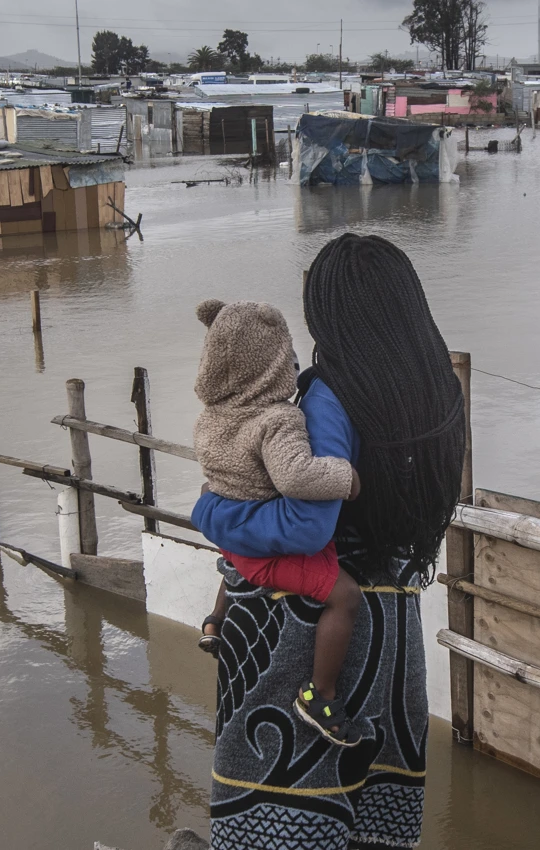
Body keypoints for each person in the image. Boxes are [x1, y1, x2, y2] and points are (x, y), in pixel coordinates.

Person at [202, 234, 466, 850]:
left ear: (329, 310)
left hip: (301, 626)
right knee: (376, 816)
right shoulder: (438, 396)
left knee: (276, 817)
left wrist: (217, 519)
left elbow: (304, 522)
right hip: (394, 632)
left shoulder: (325, 394)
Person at [187, 298, 366, 746]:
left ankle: (215, 620)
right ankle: (319, 694)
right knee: (345, 597)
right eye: (287, 355)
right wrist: (346, 478)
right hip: (264, 550)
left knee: (235, 553)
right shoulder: (278, 420)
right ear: (270, 367)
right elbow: (295, 475)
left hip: (231, 537)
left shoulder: (211, 418)